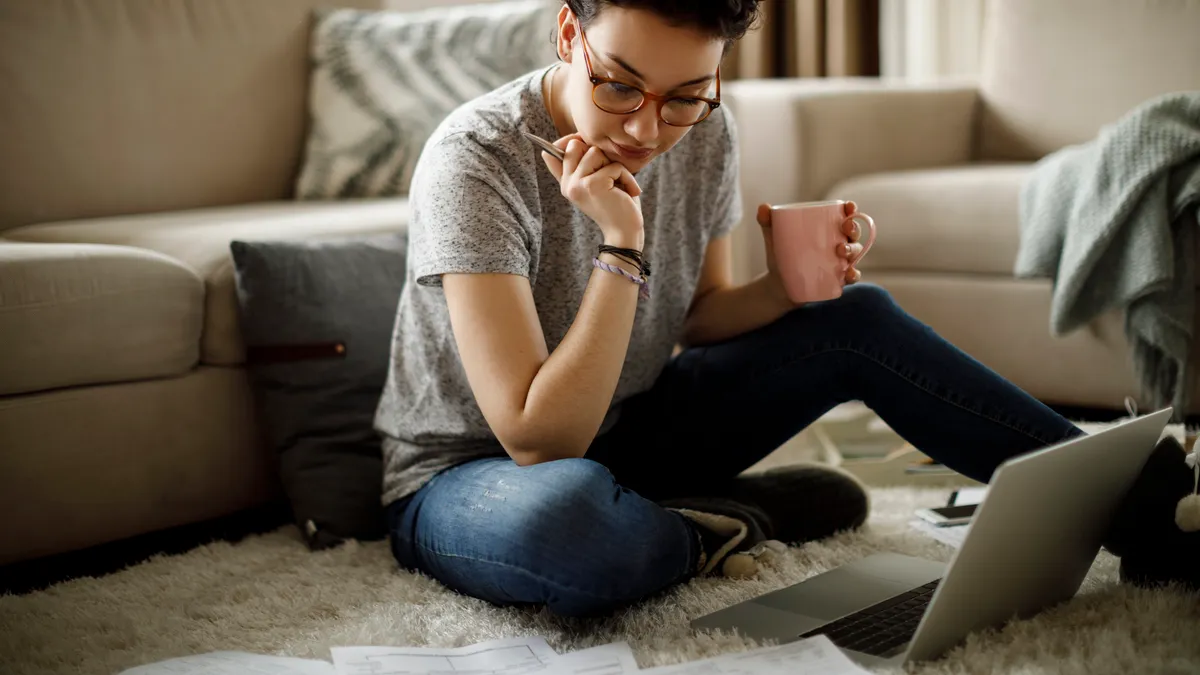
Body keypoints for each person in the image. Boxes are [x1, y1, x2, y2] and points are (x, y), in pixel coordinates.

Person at [375, 0, 1192, 616]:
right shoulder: (476, 160)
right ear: (567, 35)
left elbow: (697, 316)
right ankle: (726, 521)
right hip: (473, 474)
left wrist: (787, 290)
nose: (648, 127)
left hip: (635, 427)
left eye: (687, 94)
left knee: (858, 317)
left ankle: (1152, 502)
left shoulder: (702, 130)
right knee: (569, 531)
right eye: (619, 85)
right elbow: (539, 437)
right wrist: (622, 243)